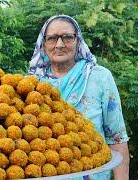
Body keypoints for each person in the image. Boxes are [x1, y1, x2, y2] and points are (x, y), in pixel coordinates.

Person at [28, 15, 130, 180]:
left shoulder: (100, 78)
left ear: (78, 41)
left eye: (67, 37)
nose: (59, 44)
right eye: (52, 38)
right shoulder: (32, 84)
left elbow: (117, 139)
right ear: (43, 44)